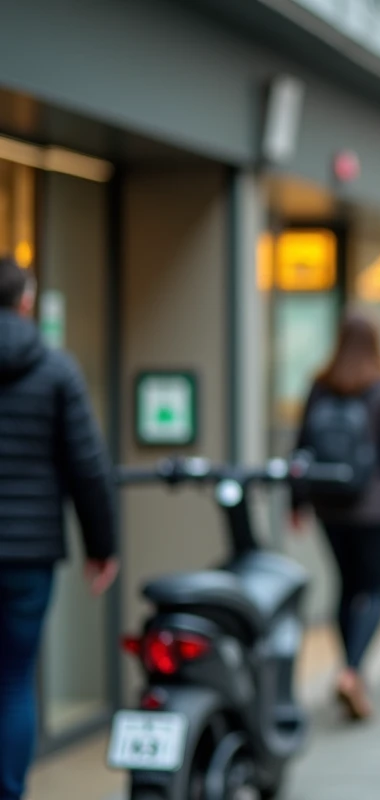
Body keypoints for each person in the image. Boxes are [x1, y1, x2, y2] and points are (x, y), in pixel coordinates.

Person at [0, 256, 117, 800]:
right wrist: (103, 547)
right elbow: (87, 467)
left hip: (29, 552)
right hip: (28, 555)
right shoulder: (55, 368)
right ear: (25, 302)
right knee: (13, 681)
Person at [291, 310, 380, 721]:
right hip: (373, 505)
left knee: (346, 586)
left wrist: (297, 501)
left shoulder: (320, 385)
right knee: (376, 590)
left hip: (329, 502)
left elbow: (302, 445)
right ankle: (353, 670)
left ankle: (349, 669)